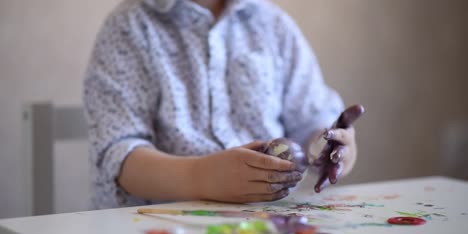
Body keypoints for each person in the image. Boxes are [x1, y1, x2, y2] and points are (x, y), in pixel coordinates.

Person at [83, 0, 358, 209]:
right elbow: (118, 154)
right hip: (154, 228)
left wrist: (328, 147)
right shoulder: (130, 26)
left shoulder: (272, 25)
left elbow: (310, 121)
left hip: (265, 225)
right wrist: (201, 176)